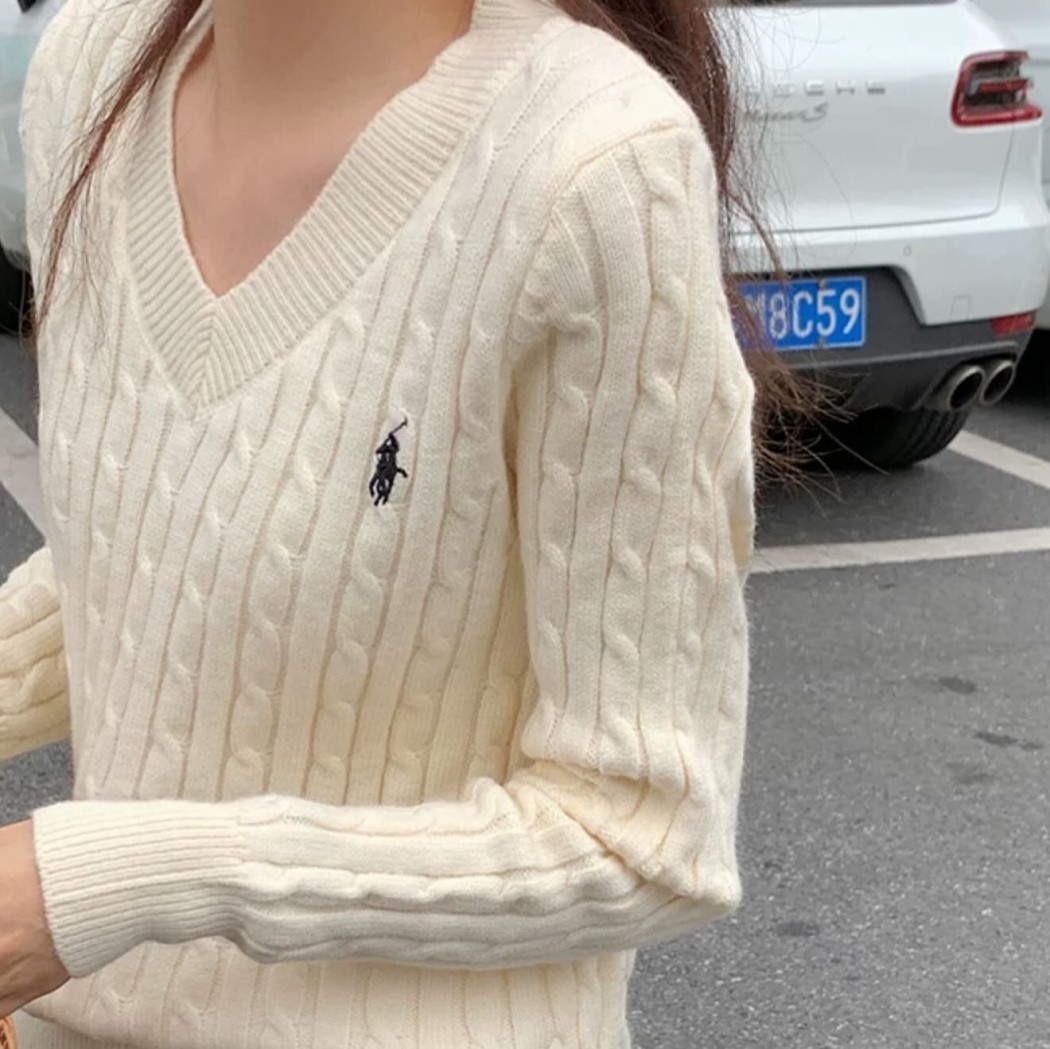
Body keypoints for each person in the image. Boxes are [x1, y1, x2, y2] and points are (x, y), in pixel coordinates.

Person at [0, 0, 767, 1045]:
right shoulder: (91, 74)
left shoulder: (593, 165)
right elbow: (161, 556)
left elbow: (642, 836)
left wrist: (113, 882)